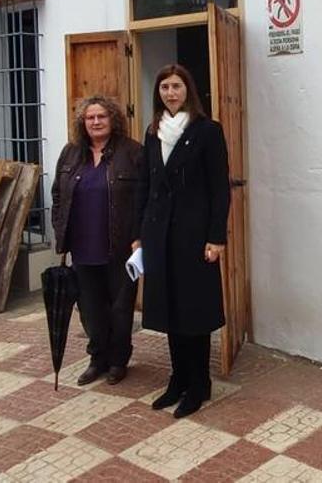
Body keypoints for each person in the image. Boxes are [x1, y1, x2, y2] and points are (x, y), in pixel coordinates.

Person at [136, 64, 230, 418]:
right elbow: (145, 185)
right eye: (164, 88)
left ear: (188, 90)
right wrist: (139, 234)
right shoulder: (152, 133)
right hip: (159, 235)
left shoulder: (207, 131)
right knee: (169, 310)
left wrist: (216, 237)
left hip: (194, 237)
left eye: (176, 86)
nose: (170, 93)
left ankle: (199, 384)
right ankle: (177, 379)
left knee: (194, 311)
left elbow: (220, 189)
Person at [51, 95, 144, 385]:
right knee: (90, 310)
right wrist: (60, 229)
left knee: (119, 308)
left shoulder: (132, 153)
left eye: (101, 116)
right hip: (82, 247)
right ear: (83, 122)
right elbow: (57, 195)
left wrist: (139, 237)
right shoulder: (70, 153)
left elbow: (144, 199)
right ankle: (97, 358)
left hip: (120, 247)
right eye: (90, 117)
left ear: (113, 119)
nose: (95, 122)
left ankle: (118, 361)